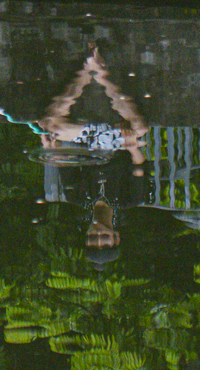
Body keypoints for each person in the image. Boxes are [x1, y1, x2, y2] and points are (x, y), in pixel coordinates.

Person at [37, 46, 150, 266]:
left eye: (92, 239)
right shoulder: (130, 200)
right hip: (119, 143)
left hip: (89, 140)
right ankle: (102, 74)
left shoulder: (76, 198)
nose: (97, 234)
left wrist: (53, 147)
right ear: (116, 236)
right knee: (140, 127)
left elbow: (65, 164)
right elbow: (139, 167)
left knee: (47, 124)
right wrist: (131, 146)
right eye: (104, 238)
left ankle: (84, 73)